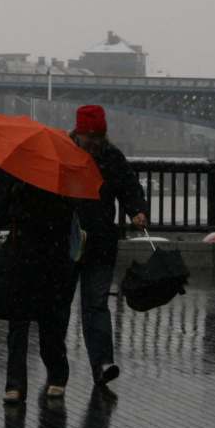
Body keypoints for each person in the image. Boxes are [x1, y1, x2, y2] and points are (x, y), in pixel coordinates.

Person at [67, 104, 147, 389]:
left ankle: (102, 364)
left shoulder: (112, 158)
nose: (93, 143)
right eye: (89, 137)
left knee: (96, 303)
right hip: (67, 241)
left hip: (100, 242)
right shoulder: (63, 154)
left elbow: (129, 187)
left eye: (98, 137)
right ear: (77, 133)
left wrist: (136, 209)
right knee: (59, 307)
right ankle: (57, 371)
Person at [0, 180, 75, 403]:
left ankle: (52, 374)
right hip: (24, 258)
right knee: (20, 322)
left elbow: (64, 219)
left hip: (47, 260)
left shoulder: (57, 185)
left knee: (47, 322)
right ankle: (17, 383)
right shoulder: (17, 181)